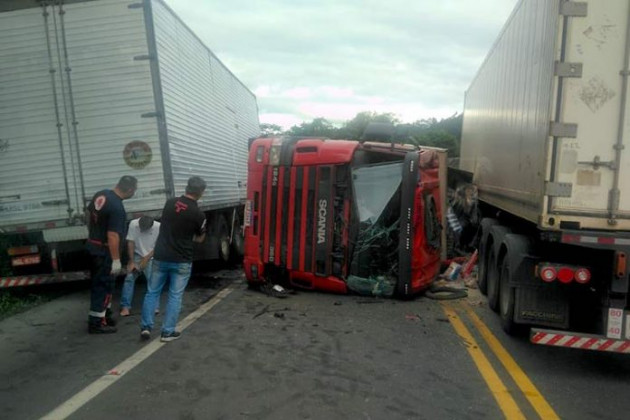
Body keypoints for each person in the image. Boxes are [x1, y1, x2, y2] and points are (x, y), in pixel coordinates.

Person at [140, 176, 207, 342]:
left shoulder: (169, 203)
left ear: (187, 188)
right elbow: (200, 239)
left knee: (152, 292)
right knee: (175, 296)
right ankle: (167, 332)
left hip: (161, 256)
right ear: (200, 193)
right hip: (182, 260)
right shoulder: (199, 215)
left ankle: (146, 327)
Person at [86, 175, 137, 334]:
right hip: (104, 252)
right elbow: (113, 236)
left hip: (93, 246)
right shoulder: (117, 207)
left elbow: (88, 215)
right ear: (129, 190)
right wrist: (116, 260)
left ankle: (104, 316)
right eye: (134, 190)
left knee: (100, 284)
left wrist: (94, 233)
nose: (134, 192)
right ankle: (96, 323)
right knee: (104, 286)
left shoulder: (101, 194)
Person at [120, 215, 160, 317]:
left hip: (151, 256)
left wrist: (146, 259)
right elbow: (131, 242)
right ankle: (125, 307)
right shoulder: (133, 224)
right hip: (137, 255)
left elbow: (159, 246)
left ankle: (154, 306)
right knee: (129, 278)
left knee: (152, 281)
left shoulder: (158, 227)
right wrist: (132, 261)